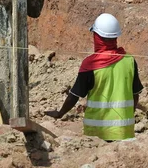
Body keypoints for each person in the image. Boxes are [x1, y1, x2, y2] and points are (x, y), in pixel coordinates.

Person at [45, 13, 143, 141]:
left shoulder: (91, 64)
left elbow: (74, 95)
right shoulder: (129, 60)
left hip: (97, 134)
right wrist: (127, 116)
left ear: (97, 37)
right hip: (124, 132)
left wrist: (60, 113)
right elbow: (135, 93)